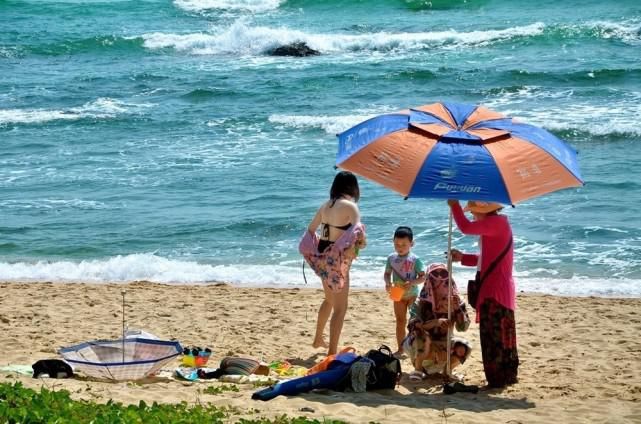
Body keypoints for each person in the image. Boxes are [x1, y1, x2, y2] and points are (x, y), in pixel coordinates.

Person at [447, 199, 519, 388]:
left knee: (492, 336)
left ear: (484, 210)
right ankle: (506, 375)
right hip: (499, 287)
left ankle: (497, 378)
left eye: (473, 211)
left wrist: (454, 205)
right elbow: (485, 259)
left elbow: (465, 227)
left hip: (495, 290)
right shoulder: (498, 224)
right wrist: (463, 258)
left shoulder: (495, 223)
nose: (472, 214)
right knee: (503, 335)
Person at [300, 171, 366, 355]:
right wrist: (356, 247)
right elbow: (358, 233)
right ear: (353, 187)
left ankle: (317, 338)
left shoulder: (325, 206)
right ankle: (331, 352)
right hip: (337, 261)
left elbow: (311, 230)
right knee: (340, 308)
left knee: (329, 300)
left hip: (322, 257)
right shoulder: (350, 206)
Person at [404, 264, 470, 380]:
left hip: (445, 342)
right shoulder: (420, 303)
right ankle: (418, 369)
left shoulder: (456, 301)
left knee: (464, 347)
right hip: (421, 344)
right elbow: (413, 326)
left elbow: (463, 328)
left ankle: (447, 371)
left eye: (444, 277)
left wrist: (457, 309)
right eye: (434, 279)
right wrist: (436, 322)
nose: (439, 283)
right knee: (423, 338)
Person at [383, 226, 426, 357]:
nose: (399, 247)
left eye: (403, 244)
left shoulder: (415, 260)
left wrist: (412, 282)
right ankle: (401, 349)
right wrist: (387, 282)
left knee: (413, 322)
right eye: (396, 244)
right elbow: (386, 274)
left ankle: (414, 347)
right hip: (397, 293)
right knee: (400, 321)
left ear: (411, 244)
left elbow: (423, 277)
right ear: (393, 241)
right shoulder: (391, 258)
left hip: (412, 294)